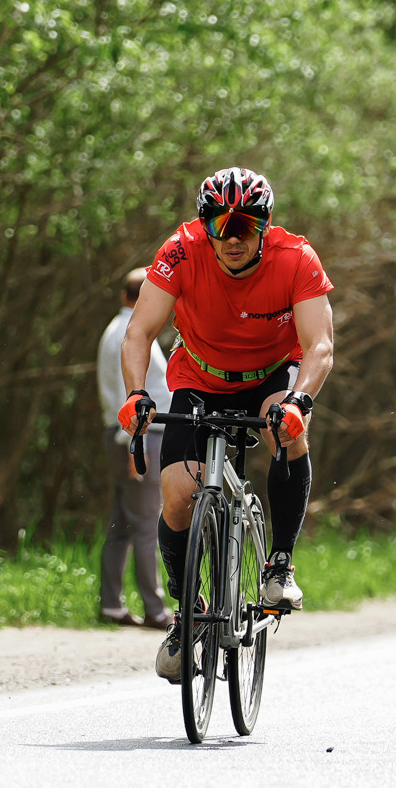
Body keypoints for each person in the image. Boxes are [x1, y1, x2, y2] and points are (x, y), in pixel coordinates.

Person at [120, 168, 335, 682]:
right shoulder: (181, 251)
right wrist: (135, 394)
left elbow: (320, 345)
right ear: (205, 225)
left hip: (269, 376)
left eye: (244, 225)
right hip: (199, 375)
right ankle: (187, 611)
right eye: (220, 224)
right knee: (176, 494)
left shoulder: (296, 259)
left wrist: (299, 400)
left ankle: (278, 566)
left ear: (263, 226)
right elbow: (139, 331)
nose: (231, 236)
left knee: (287, 430)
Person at [95, 268, 172, 629]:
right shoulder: (131, 335)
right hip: (138, 437)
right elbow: (131, 395)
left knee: (122, 523)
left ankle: (111, 604)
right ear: (141, 297)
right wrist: (134, 445)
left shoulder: (116, 328)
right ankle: (155, 610)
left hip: (124, 434)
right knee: (145, 525)